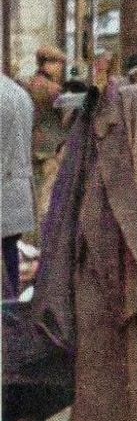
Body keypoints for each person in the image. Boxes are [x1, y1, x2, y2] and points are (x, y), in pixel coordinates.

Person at [24, 42, 67, 223]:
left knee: (34, 193)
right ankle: (45, 239)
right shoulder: (52, 89)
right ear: (48, 63)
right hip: (51, 148)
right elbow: (65, 118)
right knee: (47, 196)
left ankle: (32, 238)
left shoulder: (29, 83)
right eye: (59, 64)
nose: (61, 68)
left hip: (32, 145)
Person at [1, 74, 36, 299]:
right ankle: (12, 300)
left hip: (5, 181)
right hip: (18, 184)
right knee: (10, 250)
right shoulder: (19, 93)